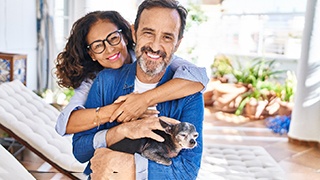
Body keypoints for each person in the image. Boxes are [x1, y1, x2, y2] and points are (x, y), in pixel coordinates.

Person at [72, 0, 205, 179]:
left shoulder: (190, 97)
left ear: (177, 43)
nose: (156, 46)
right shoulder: (106, 81)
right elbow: (80, 150)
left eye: (167, 37)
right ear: (134, 33)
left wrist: (126, 166)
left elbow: (188, 172)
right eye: (148, 33)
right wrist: (123, 130)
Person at [54, 10, 208, 136]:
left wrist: (143, 100)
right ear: (91, 54)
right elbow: (64, 124)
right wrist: (121, 110)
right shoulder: (94, 80)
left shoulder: (149, 56)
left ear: (126, 37)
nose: (109, 49)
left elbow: (198, 77)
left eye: (113, 38)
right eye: (97, 45)